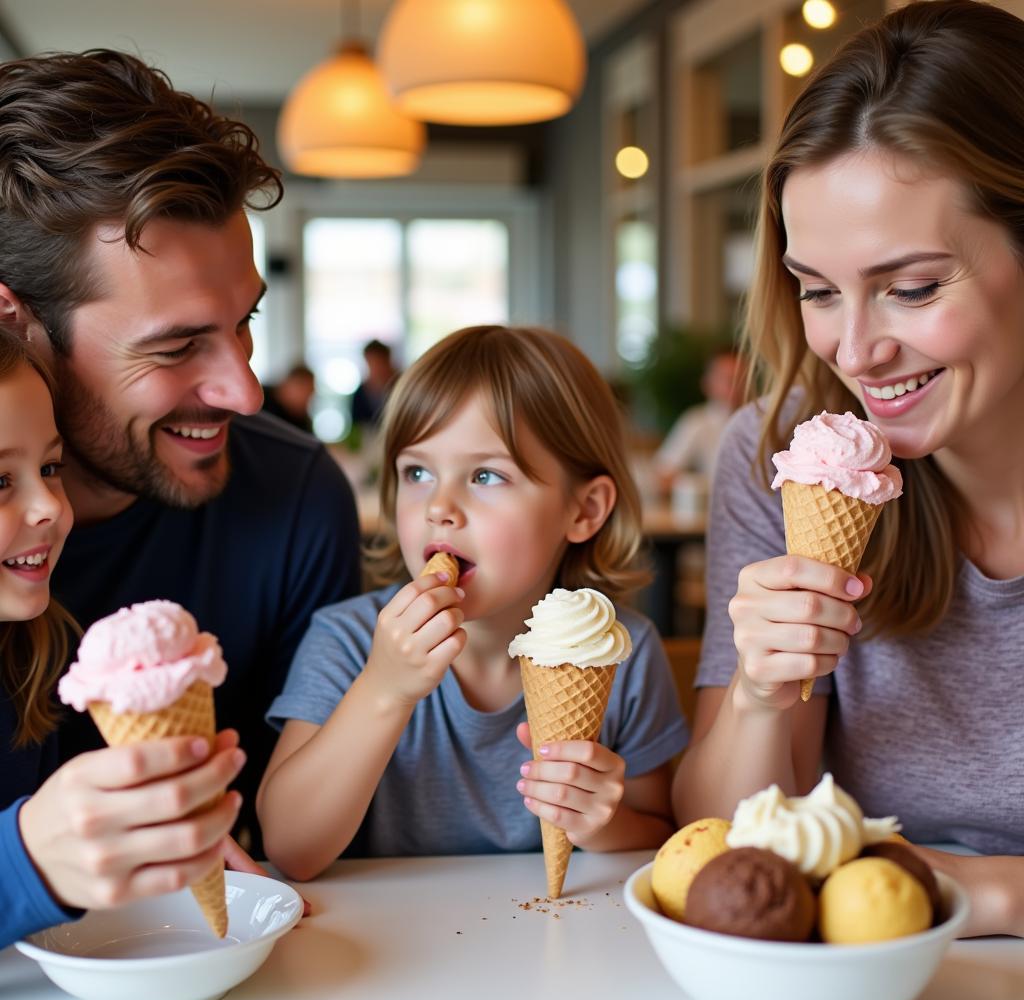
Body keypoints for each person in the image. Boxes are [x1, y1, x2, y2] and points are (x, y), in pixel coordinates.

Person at [672, 0, 1024, 938]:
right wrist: (757, 692)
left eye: (912, 288)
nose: (856, 352)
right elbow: (720, 837)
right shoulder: (779, 452)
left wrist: (985, 893)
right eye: (819, 292)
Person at [0, 50, 362, 852]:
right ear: (13, 317)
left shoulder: (295, 500)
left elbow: (299, 833)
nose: (245, 391)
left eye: (244, 324)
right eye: (176, 347)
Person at [257, 325, 687, 881]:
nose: (439, 506)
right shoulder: (348, 640)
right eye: (417, 472)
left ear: (584, 509)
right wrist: (384, 689)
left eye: (486, 475)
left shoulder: (621, 651)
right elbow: (291, 846)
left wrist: (600, 823)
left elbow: (657, 828)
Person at [0, 329, 245, 949]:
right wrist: (26, 860)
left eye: (49, 468)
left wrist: (140, 843)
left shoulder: (30, 652)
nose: (50, 507)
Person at [652, 349, 745, 489]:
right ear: (707, 383)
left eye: (742, 378)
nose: (735, 387)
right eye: (727, 379)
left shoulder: (761, 421)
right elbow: (663, 475)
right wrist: (698, 484)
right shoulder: (697, 422)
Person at [350, 339, 399, 430]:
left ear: (388, 360)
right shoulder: (361, 392)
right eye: (371, 363)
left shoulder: (401, 387)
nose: (375, 368)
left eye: (379, 362)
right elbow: (356, 425)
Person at [262, 363, 315, 433]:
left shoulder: (302, 421)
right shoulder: (260, 397)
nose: (305, 400)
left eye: (309, 395)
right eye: (302, 390)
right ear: (288, 384)